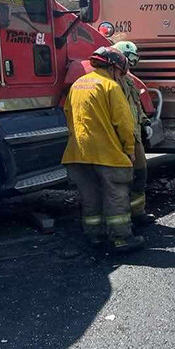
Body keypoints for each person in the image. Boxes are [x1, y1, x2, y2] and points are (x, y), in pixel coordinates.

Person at [61, 47, 145, 253]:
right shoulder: (110, 86)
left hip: (78, 153)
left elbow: (68, 114)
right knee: (116, 195)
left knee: (90, 197)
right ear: (115, 68)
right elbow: (124, 123)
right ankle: (121, 239)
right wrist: (130, 148)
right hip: (107, 154)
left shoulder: (78, 84)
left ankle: (94, 236)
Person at [112, 41, 155, 227]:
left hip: (134, 136)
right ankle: (122, 219)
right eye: (128, 60)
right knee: (121, 180)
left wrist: (145, 123)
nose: (130, 65)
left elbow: (136, 106)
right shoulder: (111, 82)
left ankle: (137, 212)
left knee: (140, 174)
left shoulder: (129, 81)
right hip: (119, 139)